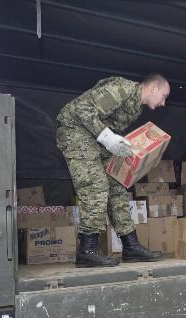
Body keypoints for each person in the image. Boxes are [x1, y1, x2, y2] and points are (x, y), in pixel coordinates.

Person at [56, 74, 170, 268]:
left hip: (94, 138)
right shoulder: (123, 88)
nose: (163, 103)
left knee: (117, 186)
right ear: (152, 88)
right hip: (75, 131)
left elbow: (107, 123)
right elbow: (82, 109)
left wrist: (117, 141)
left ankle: (130, 245)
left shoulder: (136, 106)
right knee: (95, 186)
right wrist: (107, 137)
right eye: (163, 96)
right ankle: (87, 249)